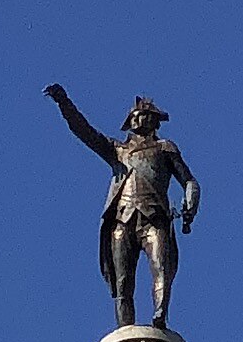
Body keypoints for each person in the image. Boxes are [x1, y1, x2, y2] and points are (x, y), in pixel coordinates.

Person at [46, 86, 202, 329]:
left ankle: (160, 314)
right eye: (137, 115)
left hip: (154, 217)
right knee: (122, 281)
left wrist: (190, 203)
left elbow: (189, 180)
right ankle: (125, 328)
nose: (142, 118)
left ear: (155, 121)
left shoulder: (165, 148)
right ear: (130, 121)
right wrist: (64, 103)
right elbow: (84, 131)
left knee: (161, 269)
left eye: (148, 115)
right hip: (122, 219)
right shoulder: (118, 151)